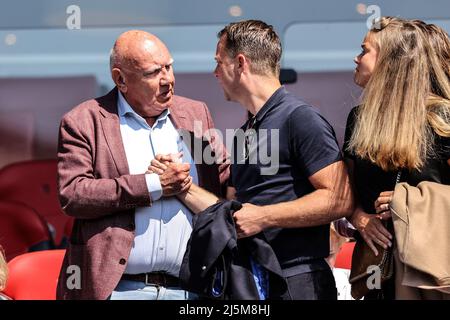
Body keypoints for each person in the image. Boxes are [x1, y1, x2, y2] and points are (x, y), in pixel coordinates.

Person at [150, 20, 354, 300]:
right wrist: (181, 185)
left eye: (219, 62)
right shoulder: (245, 134)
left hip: (298, 280)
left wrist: (264, 216)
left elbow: (340, 200)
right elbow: (233, 213)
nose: (214, 72)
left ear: (240, 63)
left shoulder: (300, 118)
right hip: (252, 279)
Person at [56, 30, 229, 300]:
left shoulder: (196, 113)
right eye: (153, 73)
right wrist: (153, 184)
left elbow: (225, 185)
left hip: (191, 290)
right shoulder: (83, 121)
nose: (168, 80)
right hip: (118, 290)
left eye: (169, 67)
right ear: (120, 79)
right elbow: (73, 194)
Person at [344, 17, 450, 299]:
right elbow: (345, 192)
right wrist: (359, 218)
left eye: (365, 50)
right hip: (378, 273)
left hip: (432, 277)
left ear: (390, 60)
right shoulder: (359, 120)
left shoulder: (441, 118)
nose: (356, 58)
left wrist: (407, 203)